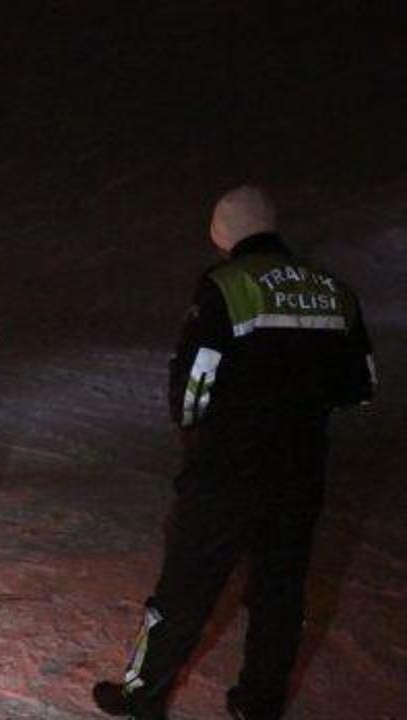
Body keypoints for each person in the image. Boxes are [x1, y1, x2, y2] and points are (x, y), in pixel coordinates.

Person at [93, 185, 377, 720]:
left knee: (185, 589)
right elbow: (361, 385)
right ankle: (260, 701)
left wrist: (201, 430)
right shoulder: (334, 291)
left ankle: (143, 696)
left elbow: (194, 386)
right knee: (279, 593)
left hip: (226, 472)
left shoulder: (225, 286)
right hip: (299, 471)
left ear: (221, 235)